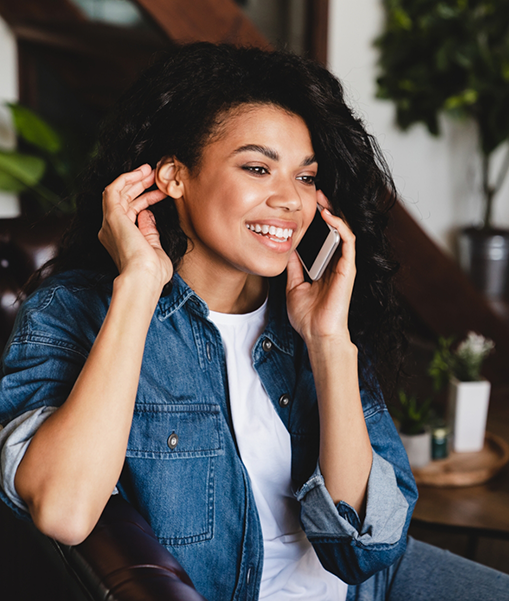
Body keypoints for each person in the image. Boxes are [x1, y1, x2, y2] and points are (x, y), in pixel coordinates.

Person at [0, 43, 507, 601]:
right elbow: (64, 513)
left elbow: (365, 550)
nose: (291, 199)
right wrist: (140, 284)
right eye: (257, 168)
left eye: (306, 177)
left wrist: (328, 342)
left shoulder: (310, 312)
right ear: (173, 176)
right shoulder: (72, 311)